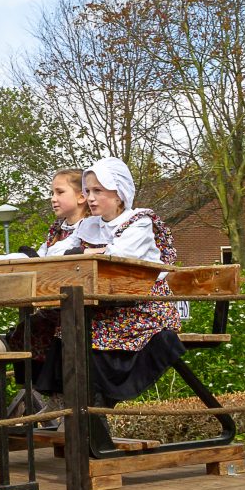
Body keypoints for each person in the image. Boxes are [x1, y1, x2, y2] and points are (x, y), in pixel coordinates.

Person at [35, 157, 183, 452]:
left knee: (83, 333)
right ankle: (75, 406)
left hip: (141, 308)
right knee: (60, 329)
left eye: (97, 191)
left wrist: (88, 251)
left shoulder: (139, 222)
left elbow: (118, 258)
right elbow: (58, 252)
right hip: (104, 307)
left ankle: (92, 407)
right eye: (88, 191)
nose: (90, 198)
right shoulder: (88, 226)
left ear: (118, 193)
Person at [9, 169, 90, 367]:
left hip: (80, 305)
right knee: (22, 331)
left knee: (38, 329)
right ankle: (34, 392)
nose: (53, 199)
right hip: (55, 299)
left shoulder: (91, 227)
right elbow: (43, 256)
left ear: (81, 197)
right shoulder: (57, 230)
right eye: (52, 193)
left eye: (60, 193)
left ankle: (51, 392)